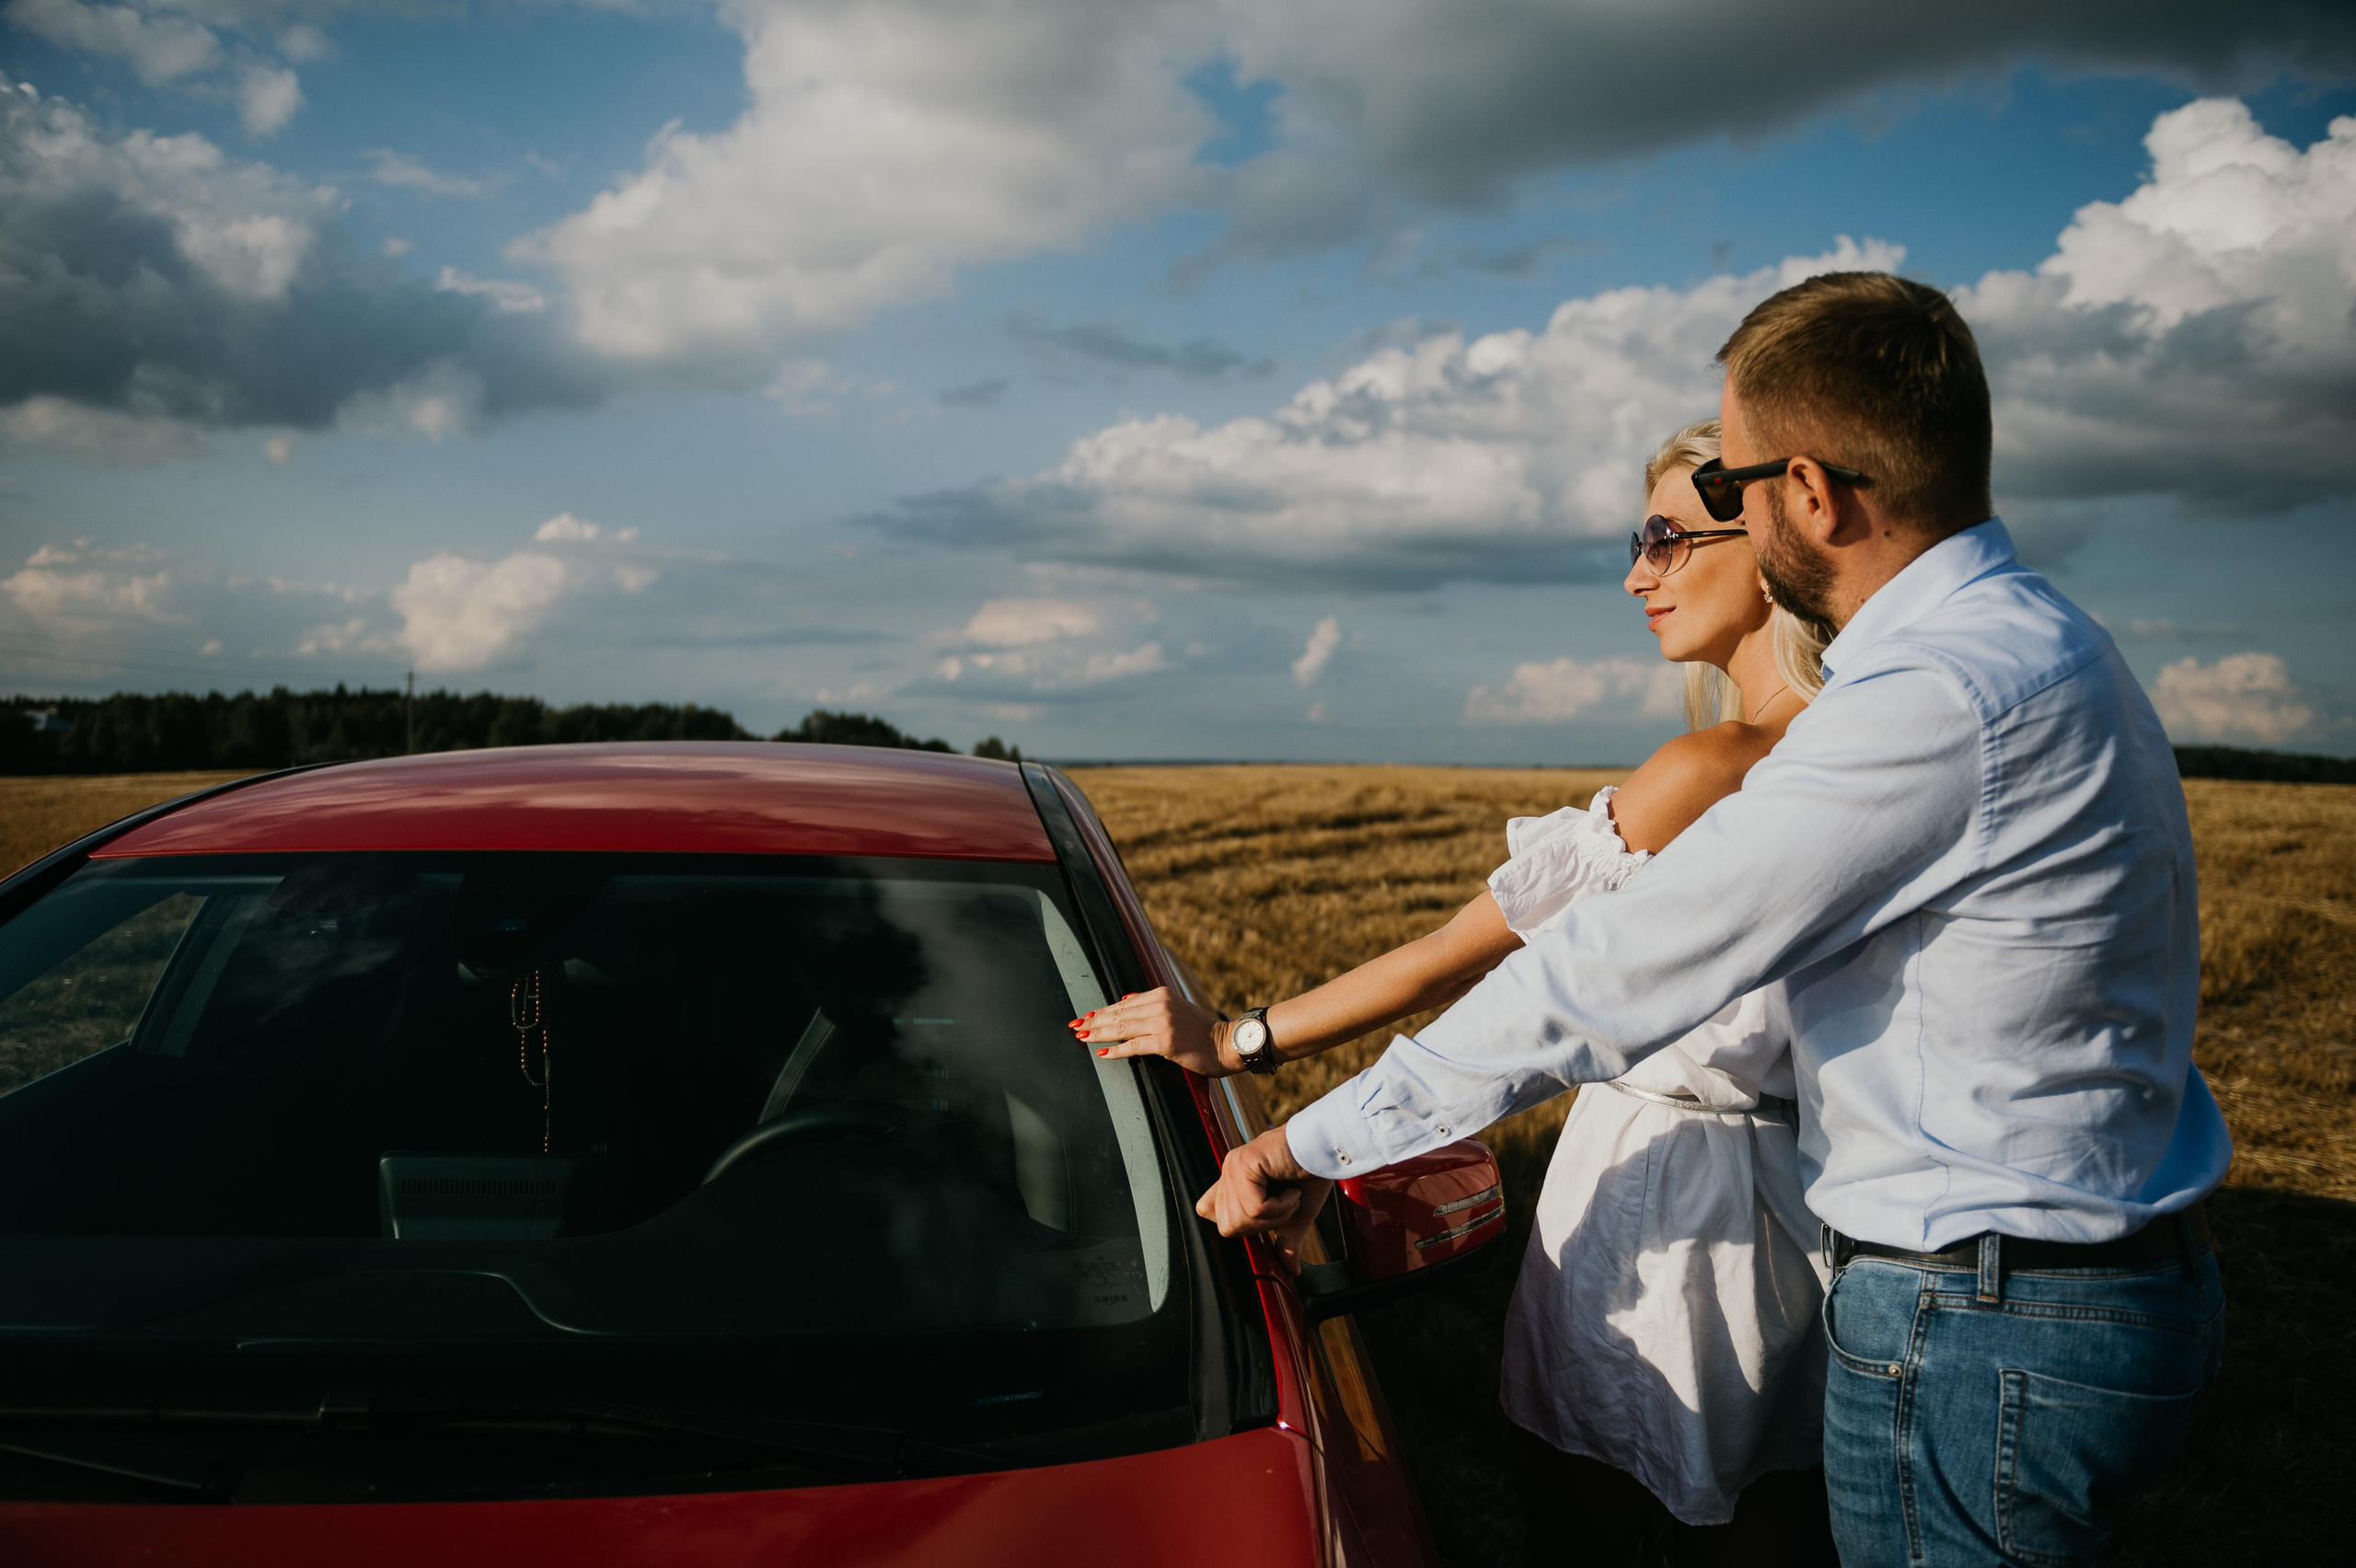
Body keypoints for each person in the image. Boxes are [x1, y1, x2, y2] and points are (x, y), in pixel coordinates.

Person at [1187, 271, 2229, 1568]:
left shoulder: (1933, 697)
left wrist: (1301, 1147)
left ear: (1808, 494)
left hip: (1979, 1315)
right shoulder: (2044, 641)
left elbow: (1611, 975)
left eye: (1727, 489)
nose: (1660, 559)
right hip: (2057, 1286)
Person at [1083, 418, 1837, 1565]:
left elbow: (1464, 956)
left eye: (1668, 537)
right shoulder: (1853, 751)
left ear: (1770, 540)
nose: (1639, 572)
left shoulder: (1706, 769)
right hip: (1805, 1225)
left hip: (1667, 1222)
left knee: (1597, 1522)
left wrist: (1238, 1046)